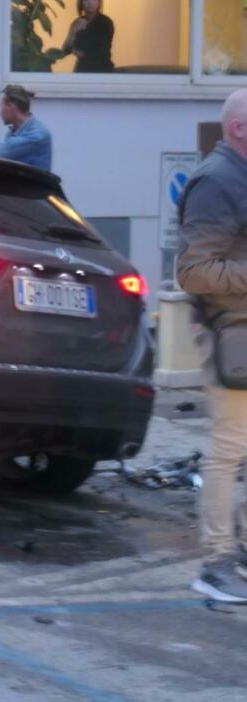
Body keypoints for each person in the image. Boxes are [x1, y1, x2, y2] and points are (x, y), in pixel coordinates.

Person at [176, 88, 247, 604]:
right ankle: (216, 562)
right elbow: (194, 271)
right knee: (227, 451)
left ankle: (234, 554)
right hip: (232, 335)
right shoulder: (218, 181)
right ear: (240, 129)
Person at [0, 85, 52, 171]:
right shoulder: (15, 132)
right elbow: (4, 160)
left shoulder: (37, 135)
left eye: (1, 107)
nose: (0, 113)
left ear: (11, 106)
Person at [62, 0, 114, 74]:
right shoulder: (78, 22)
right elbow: (65, 50)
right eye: (86, 0)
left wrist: (76, 51)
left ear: (99, 2)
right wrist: (73, 32)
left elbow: (101, 52)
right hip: (82, 69)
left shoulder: (105, 22)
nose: (89, 3)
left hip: (102, 70)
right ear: (81, 3)